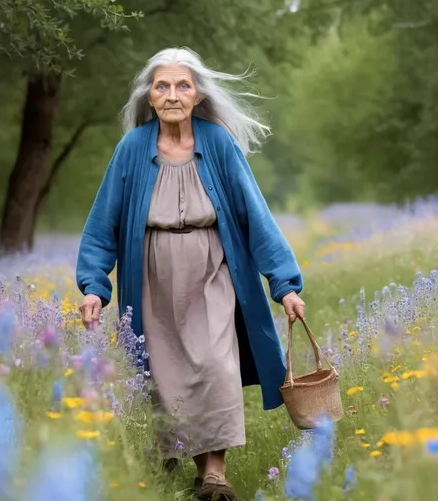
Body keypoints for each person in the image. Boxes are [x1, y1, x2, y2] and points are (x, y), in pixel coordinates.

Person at [76, 47, 305, 500]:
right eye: (162, 86)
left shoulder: (218, 144)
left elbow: (254, 216)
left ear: (198, 95)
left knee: (215, 365)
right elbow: (104, 224)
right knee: (164, 374)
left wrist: (285, 285)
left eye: (183, 85)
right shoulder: (132, 149)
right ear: (150, 96)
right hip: (151, 277)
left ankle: (215, 475)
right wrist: (94, 287)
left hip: (210, 269)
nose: (173, 94)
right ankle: (177, 461)